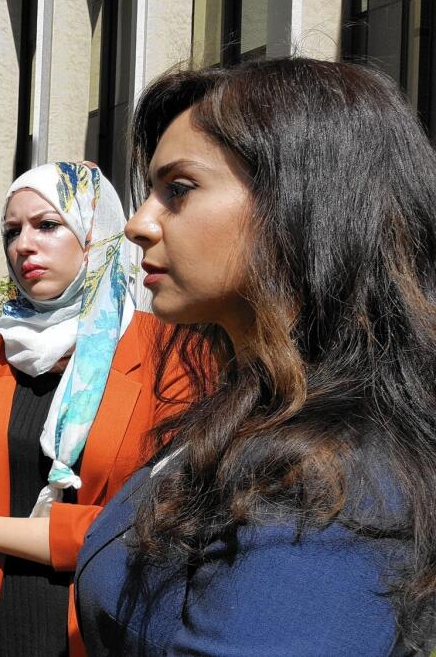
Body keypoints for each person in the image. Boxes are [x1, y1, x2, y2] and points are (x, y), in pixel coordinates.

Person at [74, 58, 436, 654]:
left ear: (303, 200)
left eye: (179, 189)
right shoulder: (261, 407)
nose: (139, 223)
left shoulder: (328, 483)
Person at [0, 162, 189, 657]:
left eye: (47, 225)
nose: (23, 245)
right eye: (11, 231)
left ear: (94, 232)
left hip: (105, 635)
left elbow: (147, 533)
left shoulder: (172, 360)